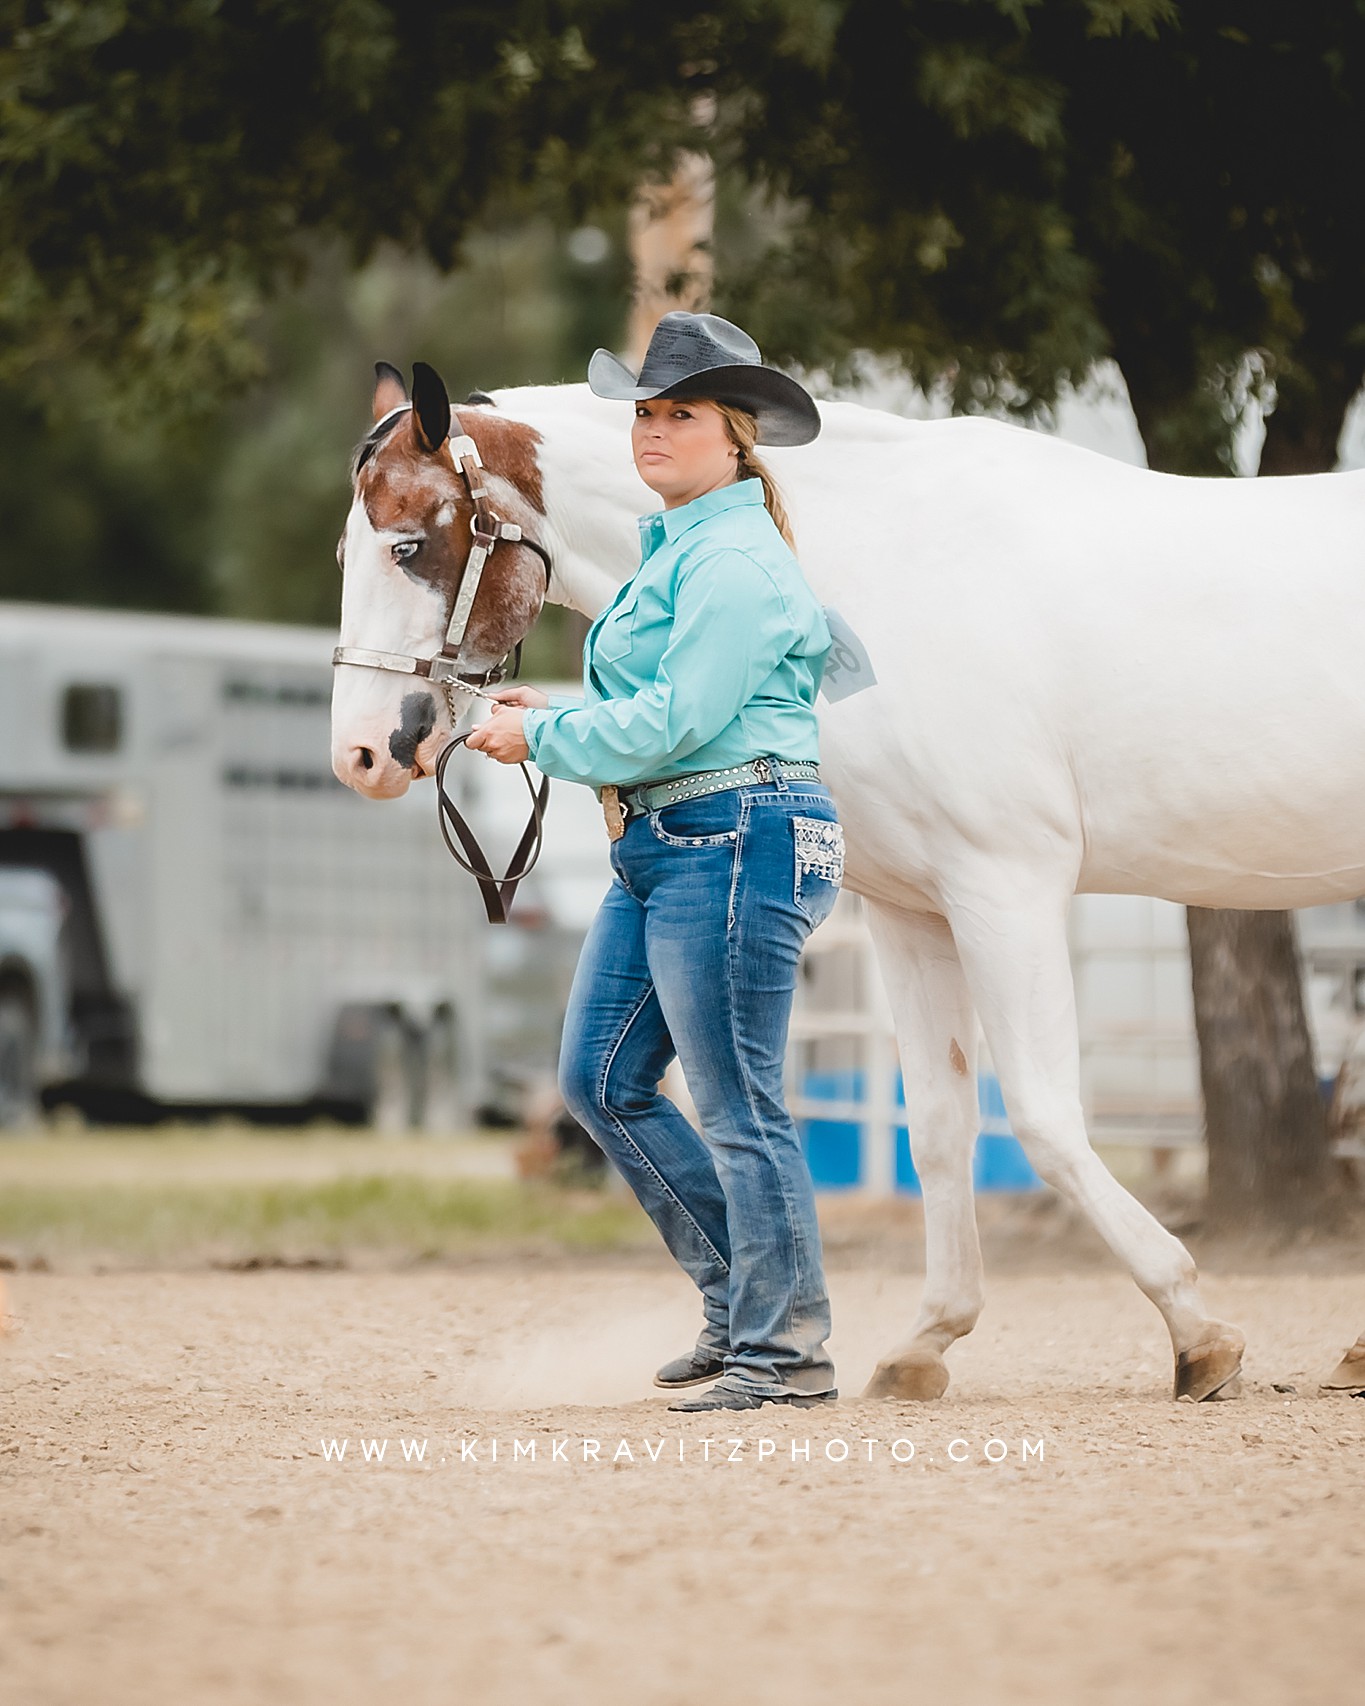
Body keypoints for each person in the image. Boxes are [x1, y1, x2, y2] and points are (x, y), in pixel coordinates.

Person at [466, 312, 844, 1412]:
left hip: (732, 834)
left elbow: (681, 719)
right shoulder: (679, 547)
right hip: (675, 839)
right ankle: (747, 1304)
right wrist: (564, 710)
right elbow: (661, 709)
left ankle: (784, 1350)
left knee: (738, 1104)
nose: (655, 429)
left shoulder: (729, 556)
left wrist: (539, 735)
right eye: (646, 411)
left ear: (734, 435)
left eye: (680, 413)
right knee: (599, 1077)